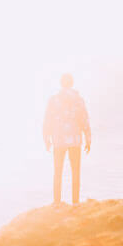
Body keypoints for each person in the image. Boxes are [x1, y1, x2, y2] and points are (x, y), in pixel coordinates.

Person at [43, 73, 91, 205]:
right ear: (72, 83)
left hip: (58, 139)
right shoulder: (78, 100)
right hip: (75, 139)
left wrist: (46, 138)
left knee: (57, 171)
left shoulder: (53, 100)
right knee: (76, 172)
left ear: (61, 83)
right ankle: (75, 202)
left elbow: (48, 120)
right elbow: (84, 119)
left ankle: (57, 202)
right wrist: (88, 138)